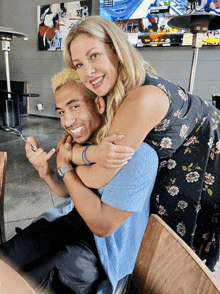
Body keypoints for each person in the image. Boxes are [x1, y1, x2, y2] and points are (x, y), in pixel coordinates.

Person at [63, 15, 220, 272]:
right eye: (79, 64)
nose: (87, 72)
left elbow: (97, 177)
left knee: (178, 264)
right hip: (182, 167)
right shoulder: (117, 88)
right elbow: (99, 155)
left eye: (94, 56)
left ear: (116, 50)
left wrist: (68, 162)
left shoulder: (142, 99)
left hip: (206, 163)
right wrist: (85, 153)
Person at [0, 68, 158, 294]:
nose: (67, 121)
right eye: (61, 111)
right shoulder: (82, 146)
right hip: (69, 225)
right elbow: (67, 191)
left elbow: (103, 226)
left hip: (103, 254)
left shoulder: (138, 156)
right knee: (10, 257)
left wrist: (65, 167)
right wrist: (46, 171)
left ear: (99, 105)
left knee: (24, 285)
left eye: (74, 107)